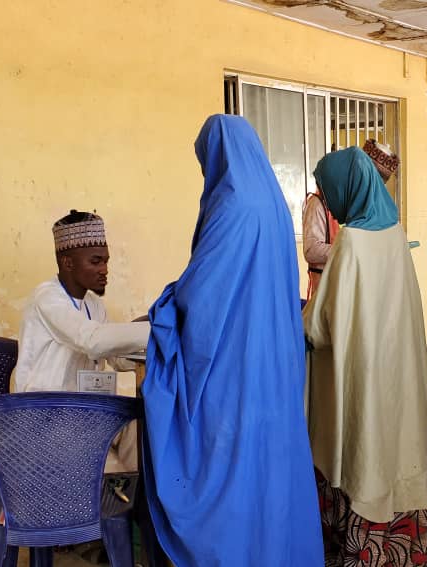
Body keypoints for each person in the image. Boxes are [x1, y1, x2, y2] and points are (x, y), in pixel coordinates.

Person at [141, 115, 323, 565]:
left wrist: (167, 303)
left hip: (233, 359)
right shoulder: (275, 206)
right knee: (269, 462)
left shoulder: (231, 205)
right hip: (275, 358)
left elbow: (203, 293)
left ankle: (235, 551)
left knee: (229, 462)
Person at [304, 146, 427, 566]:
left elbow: (324, 325)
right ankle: (406, 547)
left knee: (363, 447)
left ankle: (361, 547)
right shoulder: (397, 236)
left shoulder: (351, 242)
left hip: (363, 374)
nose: (328, 198)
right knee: (394, 447)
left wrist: (299, 321)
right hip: (397, 371)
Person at [16, 209, 149, 471]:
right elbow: (92, 340)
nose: (104, 270)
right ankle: (113, 500)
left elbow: (117, 359)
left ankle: (136, 506)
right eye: (96, 261)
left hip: (85, 414)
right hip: (47, 417)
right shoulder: (46, 298)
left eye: (106, 262)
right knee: (111, 470)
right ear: (68, 263)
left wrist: (155, 348)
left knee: (141, 429)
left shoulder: (93, 304)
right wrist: (157, 329)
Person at [303, 139, 398, 299]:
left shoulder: (363, 211)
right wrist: (349, 249)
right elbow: (311, 250)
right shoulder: (319, 203)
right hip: (328, 290)